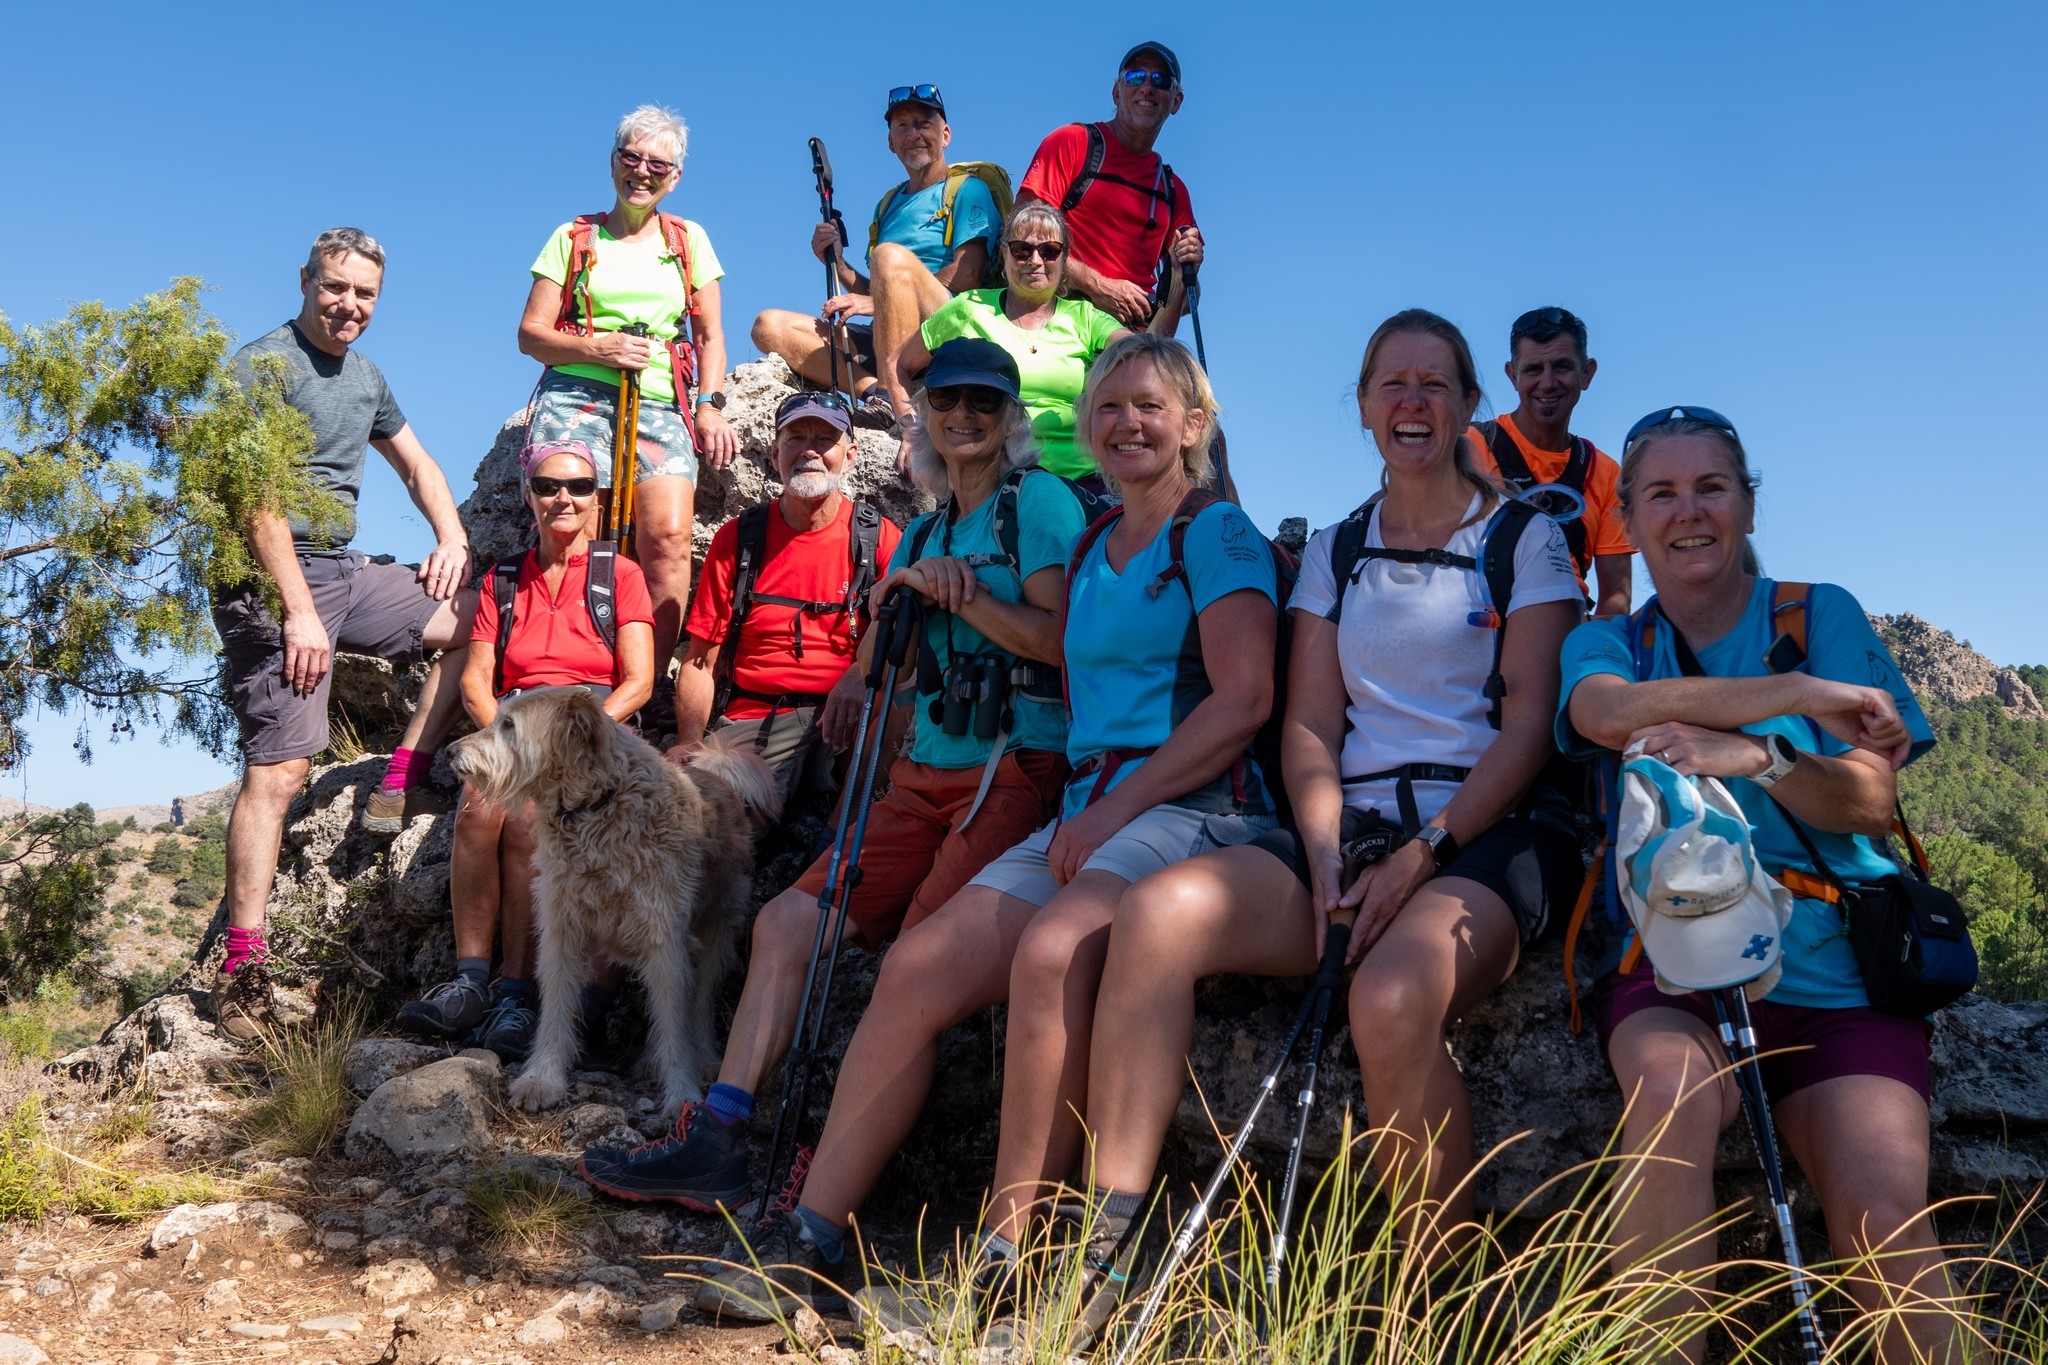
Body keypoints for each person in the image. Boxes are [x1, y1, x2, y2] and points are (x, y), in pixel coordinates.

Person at [695, 333, 1281, 1322]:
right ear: (1082, 430)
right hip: (1090, 805)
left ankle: (1008, 1252)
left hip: (1186, 806)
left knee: (1051, 950)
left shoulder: (1215, 534)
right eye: (1107, 408)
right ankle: (809, 1235)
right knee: (917, 969)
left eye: (1148, 407)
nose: (1126, 424)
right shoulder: (1097, 543)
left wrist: (1108, 812)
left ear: (1193, 424)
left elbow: (1242, 702)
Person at [1036, 311, 1585, 1326]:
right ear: (1366, 409)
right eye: (1390, 385)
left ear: (1468, 403)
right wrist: (1327, 852)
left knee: (1386, 998)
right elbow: (1306, 727)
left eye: (1433, 384)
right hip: (1346, 828)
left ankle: (1435, 1309)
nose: (1411, 402)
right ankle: (1102, 1257)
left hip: (1486, 834)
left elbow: (1525, 734)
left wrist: (1421, 856)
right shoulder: (1336, 549)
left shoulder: (1526, 541)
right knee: (1153, 920)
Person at [576, 339, 1086, 1216]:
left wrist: (964, 597)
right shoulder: (925, 527)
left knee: (909, 968)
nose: (962, 415)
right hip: (925, 770)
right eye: (944, 399)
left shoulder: (1037, 504)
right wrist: (898, 602)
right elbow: (901, 660)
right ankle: (719, 1134)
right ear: (921, 414)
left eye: (983, 402)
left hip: (1014, 768)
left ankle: (829, 1176)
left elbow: (1063, 641)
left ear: (1011, 418)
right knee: (784, 924)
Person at [1557, 406, 1959, 1365]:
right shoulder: (1608, 641)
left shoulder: (1819, 615)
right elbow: (1605, 716)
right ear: (1631, 513)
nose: (1688, 512)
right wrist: (1795, 695)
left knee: (1884, 1212)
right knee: (1668, 1094)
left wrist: (1756, 755)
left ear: (1746, 503)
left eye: (1711, 488)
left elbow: (1868, 802)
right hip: (1676, 966)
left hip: (1836, 971)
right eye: (1661, 492)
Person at [210, 227, 477, 1041]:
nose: (348, 305)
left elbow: (419, 465)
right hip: (270, 576)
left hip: (346, 570)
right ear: (305, 280)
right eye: (335, 288)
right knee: (283, 767)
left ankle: (403, 770)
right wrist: (295, 606)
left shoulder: (366, 378)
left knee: (473, 617)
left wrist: (453, 538)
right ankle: (242, 960)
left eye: (364, 294)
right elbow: (254, 502)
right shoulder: (262, 367)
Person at [392, 441, 656, 1057]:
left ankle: (519, 995)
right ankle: (472, 984)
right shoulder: (505, 579)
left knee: (532, 821)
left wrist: (568, 741)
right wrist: (511, 743)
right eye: (548, 486)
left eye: (580, 487)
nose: (563, 498)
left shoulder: (620, 575)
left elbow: (639, 681)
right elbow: (476, 681)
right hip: (514, 721)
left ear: (598, 499)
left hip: (592, 725)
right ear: (528, 495)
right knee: (480, 810)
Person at [516, 104, 740, 707]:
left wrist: (711, 405)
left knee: (666, 535)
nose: (642, 171)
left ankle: (644, 689)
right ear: (613, 161)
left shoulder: (687, 240)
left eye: (657, 164)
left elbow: (711, 335)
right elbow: (531, 333)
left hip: (661, 401)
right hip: (576, 396)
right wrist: (598, 346)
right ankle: (570, 671)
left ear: (675, 176)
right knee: (574, 528)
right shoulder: (573, 237)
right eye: (631, 157)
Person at [671, 390, 903, 802]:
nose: (809, 452)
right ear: (775, 452)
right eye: (796, 439)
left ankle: (839, 846)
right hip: (757, 720)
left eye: (824, 440)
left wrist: (855, 677)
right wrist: (689, 742)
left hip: (851, 718)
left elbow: (902, 636)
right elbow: (701, 662)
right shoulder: (739, 540)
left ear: (850, 455)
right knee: (708, 813)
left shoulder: (879, 537)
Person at [752, 84, 1002, 427]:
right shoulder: (888, 204)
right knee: (768, 326)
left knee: (887, 255)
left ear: (945, 135)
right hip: (890, 334)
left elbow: (969, 272)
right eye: (902, 126)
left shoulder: (967, 189)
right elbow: (879, 287)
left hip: (948, 326)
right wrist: (839, 264)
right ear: (890, 142)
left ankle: (890, 399)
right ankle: (872, 390)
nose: (913, 134)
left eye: (923, 124)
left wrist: (879, 302)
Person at [885, 203, 1130, 483]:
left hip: (1081, 481)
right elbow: (898, 364)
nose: (1035, 260)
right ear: (1005, 254)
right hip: (995, 479)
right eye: (1021, 250)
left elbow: (1140, 354)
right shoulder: (969, 308)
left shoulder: (1085, 318)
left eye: (1049, 251)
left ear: (1064, 260)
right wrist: (912, 429)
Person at [1017, 42, 1203, 334]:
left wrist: (1184, 275)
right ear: (1117, 92)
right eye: (1135, 77)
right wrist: (1098, 287)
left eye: (1160, 81)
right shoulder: (1072, 142)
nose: (1146, 87)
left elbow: (1191, 299)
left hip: (1132, 339)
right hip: (1057, 318)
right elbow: (1022, 232)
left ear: (1176, 101)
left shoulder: (1173, 190)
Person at [1468, 307, 1633, 615]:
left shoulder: (1607, 474)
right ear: (1512, 375)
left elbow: (1616, 598)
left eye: (1561, 367)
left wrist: (1592, 646)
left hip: (1568, 632)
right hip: (1479, 624)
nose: (1547, 383)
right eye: (1533, 369)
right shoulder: (1469, 447)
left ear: (1587, 373)